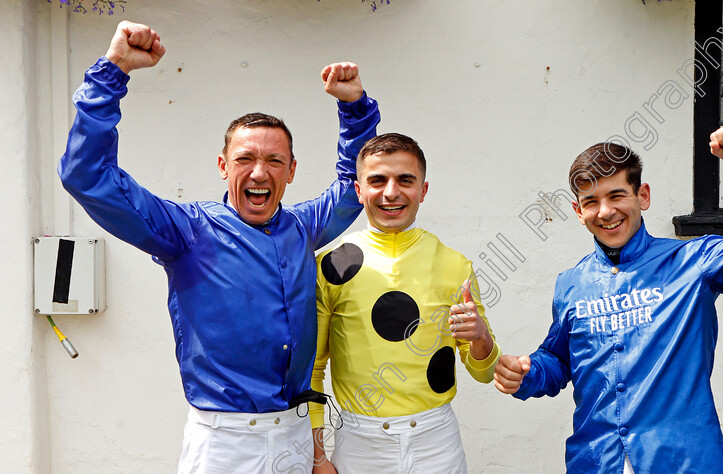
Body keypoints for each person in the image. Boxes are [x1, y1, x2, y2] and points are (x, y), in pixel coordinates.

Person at [58, 21, 380, 472]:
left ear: (291, 170)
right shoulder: (187, 231)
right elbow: (88, 176)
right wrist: (113, 71)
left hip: (296, 436)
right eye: (245, 158)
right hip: (225, 447)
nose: (259, 172)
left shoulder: (303, 227)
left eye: (273, 160)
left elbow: (355, 184)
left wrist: (355, 109)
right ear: (222, 165)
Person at [493, 122, 723, 473]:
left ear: (642, 195)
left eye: (616, 196)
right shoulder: (571, 285)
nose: (605, 212)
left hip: (685, 462)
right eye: (591, 202)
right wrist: (526, 373)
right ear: (578, 211)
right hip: (595, 462)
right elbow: (558, 361)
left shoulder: (693, 262)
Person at [308, 133, 500, 473]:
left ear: (423, 190)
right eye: (377, 180)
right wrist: (318, 456)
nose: (391, 192)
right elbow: (312, 369)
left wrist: (481, 337)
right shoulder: (330, 266)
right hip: (358, 444)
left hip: (436, 444)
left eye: (405, 180)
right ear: (358, 189)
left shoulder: (455, 265)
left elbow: (482, 371)